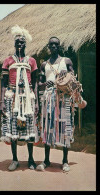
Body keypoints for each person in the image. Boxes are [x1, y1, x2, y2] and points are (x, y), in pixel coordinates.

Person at [37, 37, 87, 172]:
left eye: (56, 44)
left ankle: (65, 161)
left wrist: (67, 74)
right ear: (48, 46)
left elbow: (74, 79)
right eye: (51, 44)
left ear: (59, 46)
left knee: (65, 127)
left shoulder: (67, 61)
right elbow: (39, 83)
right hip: (49, 98)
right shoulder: (44, 64)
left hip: (64, 98)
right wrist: (44, 84)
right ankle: (46, 160)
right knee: (48, 126)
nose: (53, 46)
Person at [0, 25, 39, 171]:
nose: (20, 44)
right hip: (12, 95)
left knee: (29, 127)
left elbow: (34, 83)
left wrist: (36, 104)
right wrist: (2, 101)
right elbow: (3, 83)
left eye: (22, 42)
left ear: (25, 44)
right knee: (13, 127)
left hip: (28, 97)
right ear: (14, 44)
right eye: (18, 42)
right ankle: (15, 159)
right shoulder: (8, 61)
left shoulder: (32, 61)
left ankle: (31, 159)